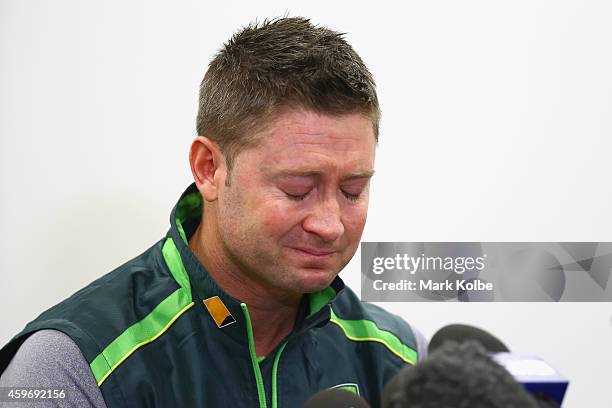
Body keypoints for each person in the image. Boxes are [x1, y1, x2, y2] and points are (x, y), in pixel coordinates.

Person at [0, 17, 427, 408]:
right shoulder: (65, 366)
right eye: (297, 190)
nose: (329, 224)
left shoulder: (407, 358)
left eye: (353, 191)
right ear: (209, 168)